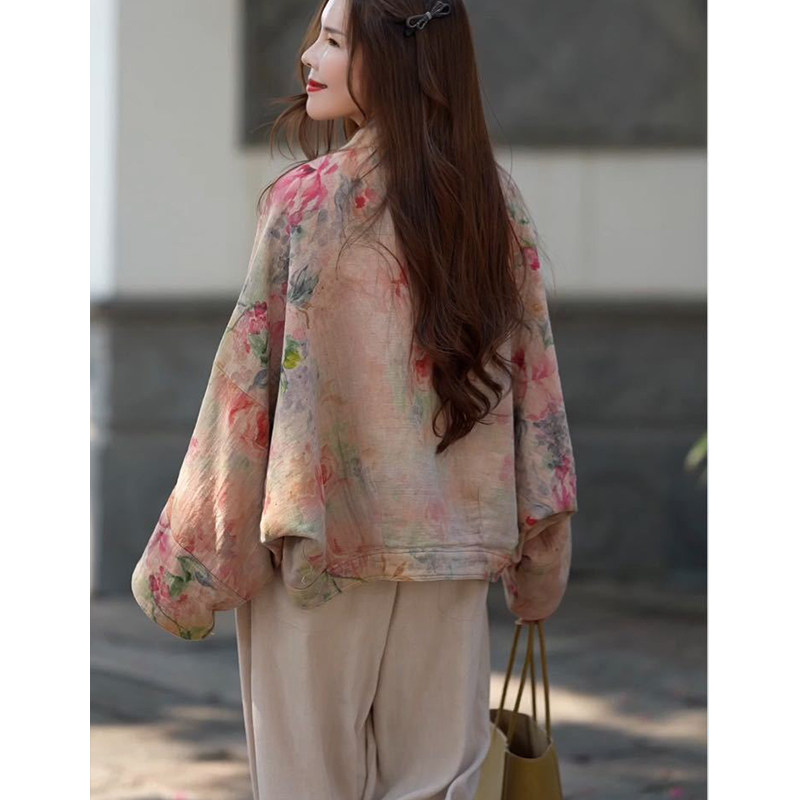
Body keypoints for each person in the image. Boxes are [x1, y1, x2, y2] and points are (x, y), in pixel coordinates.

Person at [130, 0, 578, 797]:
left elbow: (243, 391)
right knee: (439, 785)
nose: (310, 57)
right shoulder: (494, 204)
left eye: (334, 41)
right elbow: (537, 392)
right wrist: (541, 556)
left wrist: (196, 553)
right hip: (450, 553)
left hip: (321, 550)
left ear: (394, 60)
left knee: (307, 783)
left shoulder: (306, 203)